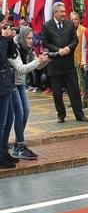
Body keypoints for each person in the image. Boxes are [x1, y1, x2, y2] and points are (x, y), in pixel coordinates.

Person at [42, 2, 88, 123]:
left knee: (74, 91)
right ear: (55, 13)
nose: (64, 14)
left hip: (68, 64)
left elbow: (75, 40)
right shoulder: (47, 26)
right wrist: (58, 50)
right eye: (61, 12)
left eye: (64, 12)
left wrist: (68, 48)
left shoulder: (69, 24)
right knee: (57, 93)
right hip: (55, 64)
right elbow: (45, 43)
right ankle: (61, 115)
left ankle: (79, 114)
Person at [9, 27, 49, 160]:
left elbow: (36, 65)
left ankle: (17, 144)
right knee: (19, 113)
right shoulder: (14, 47)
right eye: (28, 38)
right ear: (22, 37)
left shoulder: (27, 49)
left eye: (32, 38)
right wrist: (38, 61)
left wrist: (44, 61)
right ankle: (21, 145)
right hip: (11, 83)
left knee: (26, 112)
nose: (31, 41)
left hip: (20, 83)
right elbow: (21, 69)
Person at [0, 26, 15, 168]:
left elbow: (11, 54)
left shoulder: (3, 39)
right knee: (1, 123)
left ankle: (4, 151)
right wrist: (4, 39)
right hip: (1, 84)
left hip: (6, 82)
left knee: (9, 119)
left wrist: (10, 40)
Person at [70, 12, 88, 108]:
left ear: (79, 20)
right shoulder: (69, 30)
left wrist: (83, 60)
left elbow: (84, 46)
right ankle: (75, 100)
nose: (74, 21)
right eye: (72, 19)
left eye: (75, 19)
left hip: (80, 57)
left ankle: (84, 100)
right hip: (71, 58)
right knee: (73, 81)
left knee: (81, 80)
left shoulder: (83, 30)